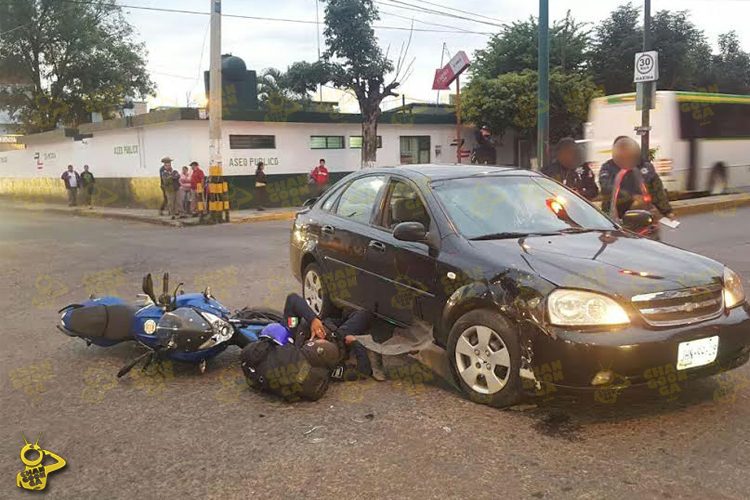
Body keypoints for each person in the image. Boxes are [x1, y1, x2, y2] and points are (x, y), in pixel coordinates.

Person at [279, 293, 378, 380]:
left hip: (323, 320)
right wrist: (355, 343)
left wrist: (313, 319)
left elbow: (292, 299)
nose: (319, 337)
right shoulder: (328, 370)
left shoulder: (292, 334)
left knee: (330, 293)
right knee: (366, 312)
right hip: (340, 336)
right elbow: (363, 372)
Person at [599, 136, 676, 221]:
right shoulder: (608, 168)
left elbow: (657, 190)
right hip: (616, 217)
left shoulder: (645, 167)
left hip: (645, 215)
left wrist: (667, 211)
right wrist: (632, 197)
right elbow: (606, 188)